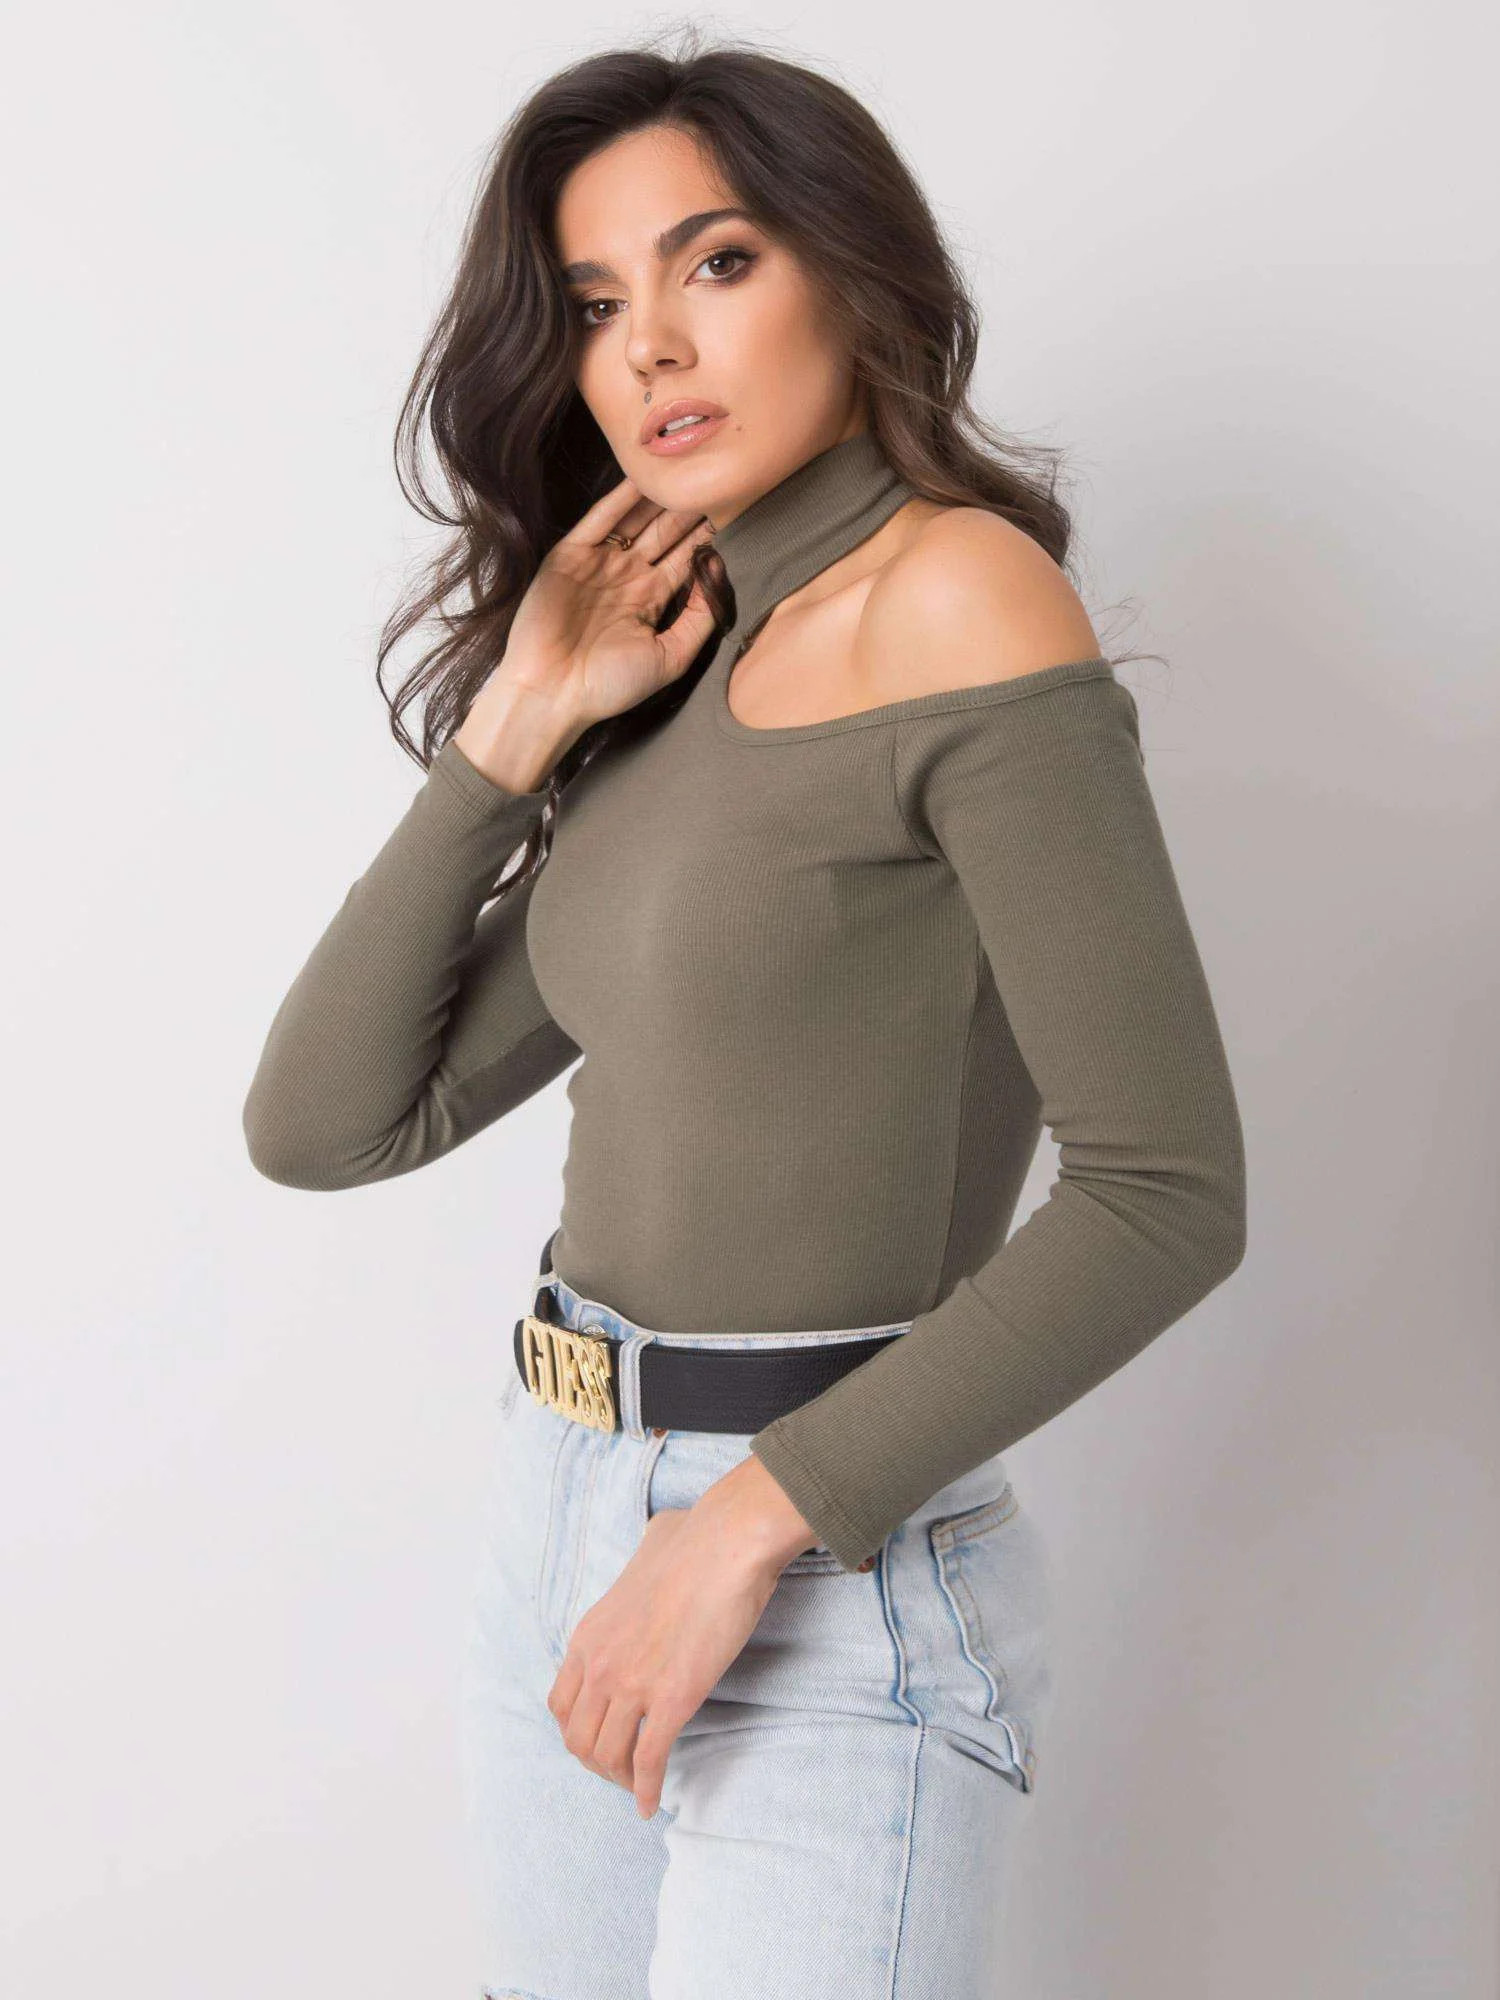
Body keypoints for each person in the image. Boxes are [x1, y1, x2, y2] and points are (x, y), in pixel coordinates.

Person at [241, 35, 1247, 2000]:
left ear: (850, 273)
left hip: (824, 1566)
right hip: (562, 1510)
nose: (650, 348)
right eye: (593, 303)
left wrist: (744, 1531)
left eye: (715, 263)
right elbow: (327, 1123)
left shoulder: (960, 600)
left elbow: (1167, 1195)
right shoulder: (671, 667)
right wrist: (519, 727)